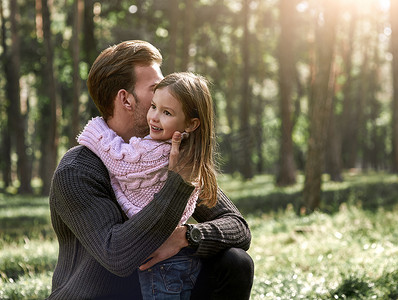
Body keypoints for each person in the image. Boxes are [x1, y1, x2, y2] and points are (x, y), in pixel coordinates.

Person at [48, 40, 253, 300]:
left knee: (236, 262)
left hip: (157, 289)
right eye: (155, 89)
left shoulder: (168, 152)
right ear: (125, 99)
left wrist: (187, 235)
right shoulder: (77, 170)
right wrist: (177, 183)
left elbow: (238, 227)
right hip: (98, 294)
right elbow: (118, 255)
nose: (165, 95)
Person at [77, 72, 218, 299]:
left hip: (161, 265)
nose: (154, 117)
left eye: (167, 113)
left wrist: (97, 129)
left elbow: (120, 159)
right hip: (181, 259)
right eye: (154, 106)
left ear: (192, 124)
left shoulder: (156, 151)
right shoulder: (190, 154)